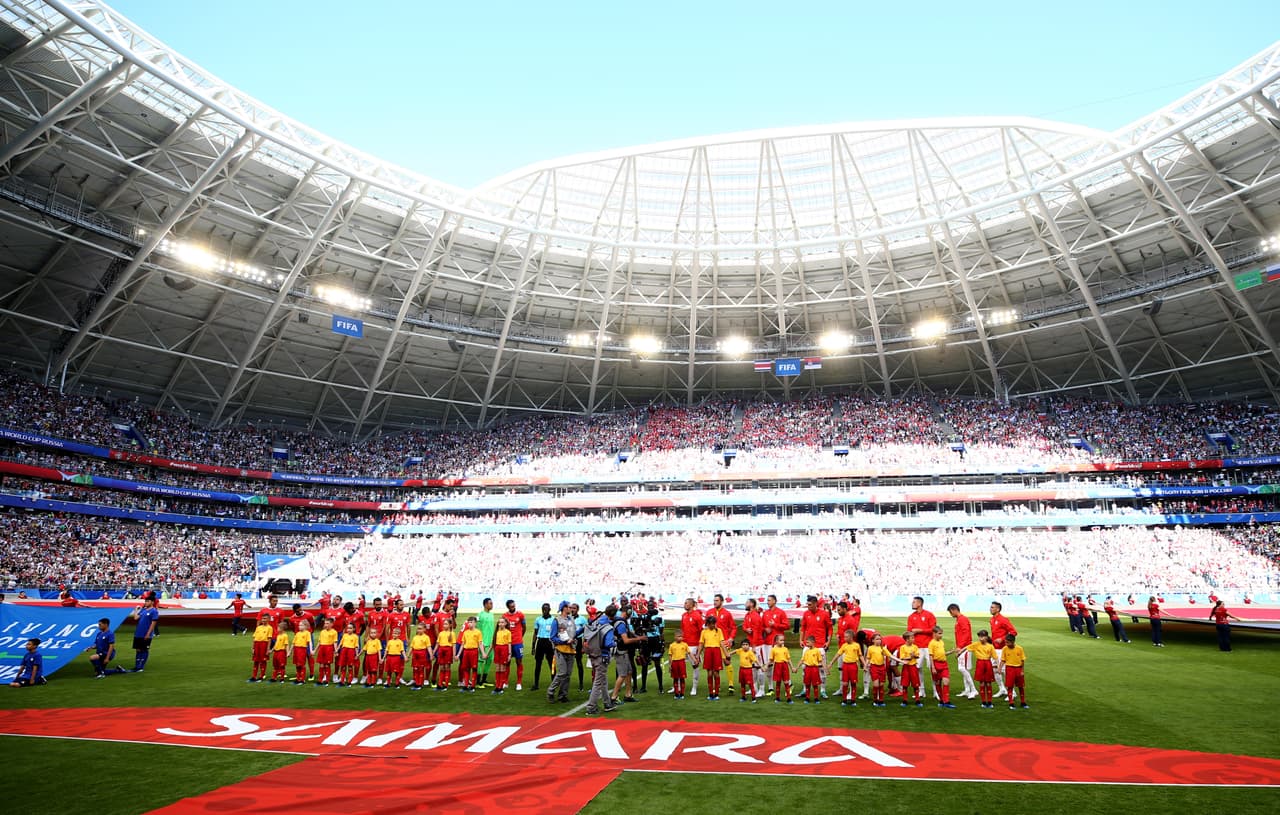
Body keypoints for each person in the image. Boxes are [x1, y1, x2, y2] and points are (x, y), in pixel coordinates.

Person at [582, 605, 618, 716]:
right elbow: (608, 643)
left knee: (603, 680)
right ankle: (591, 707)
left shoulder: (595, 622)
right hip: (602, 656)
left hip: (592, 654)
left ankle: (607, 703)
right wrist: (616, 641)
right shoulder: (608, 627)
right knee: (598, 682)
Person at [800, 595, 833, 698]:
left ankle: (823, 690)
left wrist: (828, 641)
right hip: (807, 645)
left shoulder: (824, 614)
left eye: (810, 604)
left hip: (820, 645)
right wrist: (801, 639)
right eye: (807, 604)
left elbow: (830, 628)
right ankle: (804, 689)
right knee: (805, 667)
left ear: (815, 604)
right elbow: (803, 627)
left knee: (821, 668)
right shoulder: (806, 613)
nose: (808, 606)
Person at [955, 629, 997, 708]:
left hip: (987, 663)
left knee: (988, 683)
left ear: (987, 637)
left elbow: (995, 657)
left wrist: (998, 666)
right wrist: (960, 652)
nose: (981, 638)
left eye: (982, 637)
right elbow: (967, 647)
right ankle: (984, 702)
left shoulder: (990, 646)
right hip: (980, 663)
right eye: (980, 637)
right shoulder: (976, 644)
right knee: (981, 683)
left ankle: (990, 701)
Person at [906, 597, 937, 699]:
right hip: (917, 647)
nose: (912, 603)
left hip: (929, 646)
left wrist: (920, 630)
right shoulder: (911, 617)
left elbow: (933, 629)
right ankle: (921, 691)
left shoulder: (929, 615)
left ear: (919, 603)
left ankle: (936, 691)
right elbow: (909, 630)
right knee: (917, 668)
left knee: (933, 669)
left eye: (914, 602)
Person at [546, 602, 576, 703]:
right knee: (562, 672)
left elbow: (574, 633)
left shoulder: (571, 619)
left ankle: (563, 695)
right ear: (564, 608)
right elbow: (552, 637)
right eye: (569, 607)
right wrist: (563, 641)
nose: (571, 609)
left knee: (568, 674)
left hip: (571, 649)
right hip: (560, 649)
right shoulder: (556, 620)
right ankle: (550, 691)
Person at [708, 594, 737, 694]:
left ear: (722, 601)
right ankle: (717, 685)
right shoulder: (709, 612)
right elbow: (705, 626)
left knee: (727, 662)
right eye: (714, 600)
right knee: (714, 665)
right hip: (712, 643)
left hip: (723, 642)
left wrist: (731, 638)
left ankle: (731, 684)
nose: (715, 602)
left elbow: (733, 627)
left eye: (717, 600)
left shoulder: (727, 613)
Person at [947, 603, 977, 699]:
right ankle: (967, 690)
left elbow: (966, 634)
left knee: (962, 668)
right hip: (963, 647)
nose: (950, 614)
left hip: (965, 647)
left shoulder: (962, 619)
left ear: (953, 610)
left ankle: (973, 689)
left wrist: (960, 647)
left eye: (950, 612)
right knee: (965, 669)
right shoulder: (959, 619)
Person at [827, 628, 862, 706]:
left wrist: (864, 664)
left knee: (853, 683)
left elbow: (860, 656)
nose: (844, 638)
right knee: (845, 683)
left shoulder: (856, 645)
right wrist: (831, 663)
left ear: (851, 637)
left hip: (853, 666)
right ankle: (844, 699)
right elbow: (838, 654)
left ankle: (853, 700)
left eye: (846, 637)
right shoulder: (844, 645)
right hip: (845, 666)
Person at [741, 598, 768, 698]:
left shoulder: (756, 616)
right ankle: (754, 688)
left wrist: (754, 646)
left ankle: (762, 690)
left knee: (759, 667)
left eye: (747, 602)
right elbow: (744, 626)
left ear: (751, 604)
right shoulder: (747, 615)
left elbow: (757, 631)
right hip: (751, 645)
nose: (745, 604)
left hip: (757, 645)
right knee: (753, 668)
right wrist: (746, 629)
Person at [890, 630, 922, 707]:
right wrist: (910, 657)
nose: (914, 639)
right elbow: (902, 658)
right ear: (907, 639)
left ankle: (917, 700)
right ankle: (905, 700)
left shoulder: (915, 647)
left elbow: (917, 656)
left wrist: (913, 656)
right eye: (912, 638)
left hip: (913, 667)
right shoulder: (902, 647)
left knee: (916, 684)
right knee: (905, 684)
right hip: (906, 667)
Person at [680, 598, 705, 696]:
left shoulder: (697, 616)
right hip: (683, 644)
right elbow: (682, 630)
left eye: (686, 603)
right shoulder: (684, 615)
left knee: (695, 665)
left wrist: (700, 648)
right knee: (678, 664)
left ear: (691, 605)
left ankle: (694, 687)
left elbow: (702, 632)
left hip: (693, 645)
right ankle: (677, 685)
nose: (684, 604)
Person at [697, 614, 726, 701]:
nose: (712, 625)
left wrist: (726, 654)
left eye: (714, 623)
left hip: (716, 651)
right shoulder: (704, 632)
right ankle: (710, 693)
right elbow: (701, 644)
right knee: (709, 673)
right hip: (708, 652)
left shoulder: (719, 631)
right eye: (710, 624)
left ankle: (716, 693)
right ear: (707, 624)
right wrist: (698, 654)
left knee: (716, 673)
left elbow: (721, 643)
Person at [927, 626, 956, 708]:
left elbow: (942, 653)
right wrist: (933, 667)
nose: (941, 635)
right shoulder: (931, 643)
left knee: (946, 682)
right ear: (934, 634)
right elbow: (931, 656)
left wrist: (950, 652)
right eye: (939, 633)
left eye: (941, 633)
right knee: (937, 682)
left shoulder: (941, 642)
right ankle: (941, 701)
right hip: (936, 664)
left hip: (944, 664)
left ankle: (946, 701)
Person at [502, 599, 527, 690]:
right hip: (507, 643)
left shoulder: (520, 615)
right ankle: (505, 682)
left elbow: (524, 627)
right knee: (507, 662)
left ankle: (519, 683)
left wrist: (520, 637)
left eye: (514, 605)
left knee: (519, 662)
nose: (513, 607)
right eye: (511, 606)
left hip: (517, 643)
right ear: (508, 607)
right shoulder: (504, 616)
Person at [131, 596, 160, 673]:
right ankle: (137, 666)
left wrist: (148, 633)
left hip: (146, 633)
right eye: (145, 601)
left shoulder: (154, 611)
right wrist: (135, 610)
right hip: (138, 633)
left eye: (148, 601)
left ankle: (141, 667)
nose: (146, 602)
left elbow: (153, 623)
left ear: (152, 602)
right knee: (138, 649)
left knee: (144, 649)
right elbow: (135, 618)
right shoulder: (143, 610)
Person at [531, 602, 555, 691]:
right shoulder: (538, 619)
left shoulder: (553, 620)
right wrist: (533, 646)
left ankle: (554, 683)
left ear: (549, 609)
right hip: (540, 641)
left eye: (546, 609)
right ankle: (536, 684)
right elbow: (535, 633)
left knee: (552, 664)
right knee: (538, 664)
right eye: (543, 609)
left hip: (549, 642)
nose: (545, 611)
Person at [1001, 633, 1028, 709]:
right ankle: (1011, 703)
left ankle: (1023, 702)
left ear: (1013, 642)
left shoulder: (1019, 648)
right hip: (1009, 669)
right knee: (1010, 686)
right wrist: (1000, 668)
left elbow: (1022, 660)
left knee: (1021, 686)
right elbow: (1003, 660)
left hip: (1018, 669)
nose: (1006, 644)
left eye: (1007, 642)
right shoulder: (1004, 649)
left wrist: (1022, 671)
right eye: (1005, 642)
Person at [458, 616, 484, 692]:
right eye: (469, 622)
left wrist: (483, 653)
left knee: (474, 668)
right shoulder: (465, 632)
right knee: (466, 669)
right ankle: (465, 685)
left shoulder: (478, 632)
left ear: (475, 623)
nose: (470, 624)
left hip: (474, 651)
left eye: (471, 622)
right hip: (466, 651)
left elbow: (480, 643)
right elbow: (462, 644)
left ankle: (472, 686)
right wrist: (458, 654)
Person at [476, 598, 497, 689]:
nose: (492, 605)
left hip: (491, 642)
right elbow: (478, 629)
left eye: (492, 603)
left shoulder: (492, 615)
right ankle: (478, 681)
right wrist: (481, 642)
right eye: (490, 603)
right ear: (485, 604)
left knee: (489, 660)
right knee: (480, 661)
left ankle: (484, 680)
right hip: (483, 642)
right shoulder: (480, 615)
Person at [799, 635, 826, 704]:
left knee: (815, 684)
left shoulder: (817, 651)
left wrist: (825, 669)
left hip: (814, 669)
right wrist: (796, 667)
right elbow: (802, 660)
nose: (806, 644)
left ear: (813, 642)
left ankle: (816, 698)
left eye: (807, 642)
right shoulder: (806, 651)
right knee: (807, 684)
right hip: (807, 669)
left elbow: (820, 660)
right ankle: (807, 698)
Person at [865, 632, 890, 707]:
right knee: (876, 685)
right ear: (873, 640)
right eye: (877, 639)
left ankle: (881, 700)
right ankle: (875, 700)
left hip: (882, 667)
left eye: (880, 639)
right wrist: (866, 666)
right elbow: (868, 658)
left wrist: (901, 661)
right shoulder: (870, 648)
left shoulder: (883, 648)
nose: (879, 641)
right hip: (874, 667)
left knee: (881, 685)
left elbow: (890, 655)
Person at [769, 633, 795, 704]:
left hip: (784, 666)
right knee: (778, 682)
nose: (782, 642)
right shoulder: (773, 649)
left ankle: (789, 698)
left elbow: (788, 659)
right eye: (781, 640)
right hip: (777, 666)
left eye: (783, 640)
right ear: (776, 641)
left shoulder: (785, 649)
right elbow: (771, 659)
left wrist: (792, 667)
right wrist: (766, 666)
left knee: (786, 682)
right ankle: (777, 698)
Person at [249, 613, 273, 682]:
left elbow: (269, 639)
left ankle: (261, 676)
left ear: (268, 619)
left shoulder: (269, 628)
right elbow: (254, 638)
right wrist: (253, 647)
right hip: (257, 644)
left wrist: (268, 649)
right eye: (262, 618)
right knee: (256, 661)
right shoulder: (258, 627)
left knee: (263, 661)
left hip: (264, 644)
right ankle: (254, 676)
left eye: (265, 618)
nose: (263, 620)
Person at [314, 617, 338, 686]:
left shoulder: (334, 632)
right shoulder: (322, 632)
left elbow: (335, 642)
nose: (326, 625)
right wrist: (315, 650)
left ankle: (326, 680)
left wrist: (336, 651)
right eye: (325, 623)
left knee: (327, 664)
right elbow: (319, 642)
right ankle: (320, 680)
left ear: (332, 624)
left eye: (327, 623)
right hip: (322, 648)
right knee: (321, 664)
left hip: (329, 648)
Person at [434, 618, 456, 691]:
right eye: (443, 624)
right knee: (441, 667)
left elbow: (454, 645)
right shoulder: (441, 633)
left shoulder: (452, 634)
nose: (444, 625)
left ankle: (446, 684)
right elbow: (437, 644)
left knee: (447, 667)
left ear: (450, 625)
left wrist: (454, 655)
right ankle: (440, 684)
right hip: (441, 650)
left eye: (446, 624)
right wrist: (433, 653)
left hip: (448, 651)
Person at [667, 631, 690, 699]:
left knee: (682, 678)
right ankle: (677, 693)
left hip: (682, 662)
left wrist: (694, 659)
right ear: (675, 637)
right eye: (679, 636)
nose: (681, 638)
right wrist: (670, 665)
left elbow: (689, 653)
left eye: (681, 637)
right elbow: (670, 656)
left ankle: (682, 693)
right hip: (675, 663)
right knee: (675, 678)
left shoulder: (685, 645)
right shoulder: (672, 645)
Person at [492, 618, 513, 693]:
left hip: (504, 649)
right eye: (499, 622)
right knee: (497, 668)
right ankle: (497, 686)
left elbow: (509, 643)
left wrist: (509, 654)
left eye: (502, 622)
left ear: (505, 624)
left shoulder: (508, 632)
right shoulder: (496, 632)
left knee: (503, 668)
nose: (500, 624)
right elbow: (493, 644)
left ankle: (501, 686)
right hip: (497, 649)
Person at [291, 619, 312, 685]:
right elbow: (293, 643)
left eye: (301, 625)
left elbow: (309, 642)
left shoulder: (307, 633)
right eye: (299, 625)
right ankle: (298, 678)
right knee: (297, 664)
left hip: (302, 650)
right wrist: (289, 651)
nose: (299, 626)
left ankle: (302, 679)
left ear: (305, 626)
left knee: (302, 665)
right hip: (296, 650)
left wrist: (311, 650)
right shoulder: (297, 633)